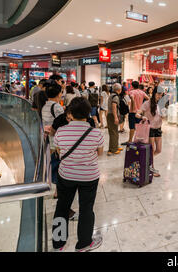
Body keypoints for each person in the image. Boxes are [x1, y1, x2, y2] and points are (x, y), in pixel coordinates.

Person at [52, 97, 104, 252]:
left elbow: (60, 153)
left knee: (62, 207)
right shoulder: (96, 133)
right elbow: (100, 153)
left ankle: (58, 244)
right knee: (86, 208)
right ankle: (83, 244)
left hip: (66, 175)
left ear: (70, 114)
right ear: (88, 114)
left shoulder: (61, 131)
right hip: (89, 176)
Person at [136, 87, 163, 177]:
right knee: (152, 150)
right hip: (150, 129)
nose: (160, 96)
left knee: (158, 150)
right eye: (158, 94)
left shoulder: (160, 104)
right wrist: (142, 117)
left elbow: (161, 116)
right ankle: (151, 168)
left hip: (158, 128)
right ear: (154, 93)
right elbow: (137, 113)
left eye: (161, 94)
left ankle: (146, 160)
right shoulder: (147, 103)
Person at [107, 84, 124, 156]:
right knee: (113, 132)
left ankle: (115, 146)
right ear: (119, 90)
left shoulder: (112, 95)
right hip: (112, 115)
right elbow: (114, 106)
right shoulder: (115, 96)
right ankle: (113, 149)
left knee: (114, 132)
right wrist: (116, 117)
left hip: (111, 115)